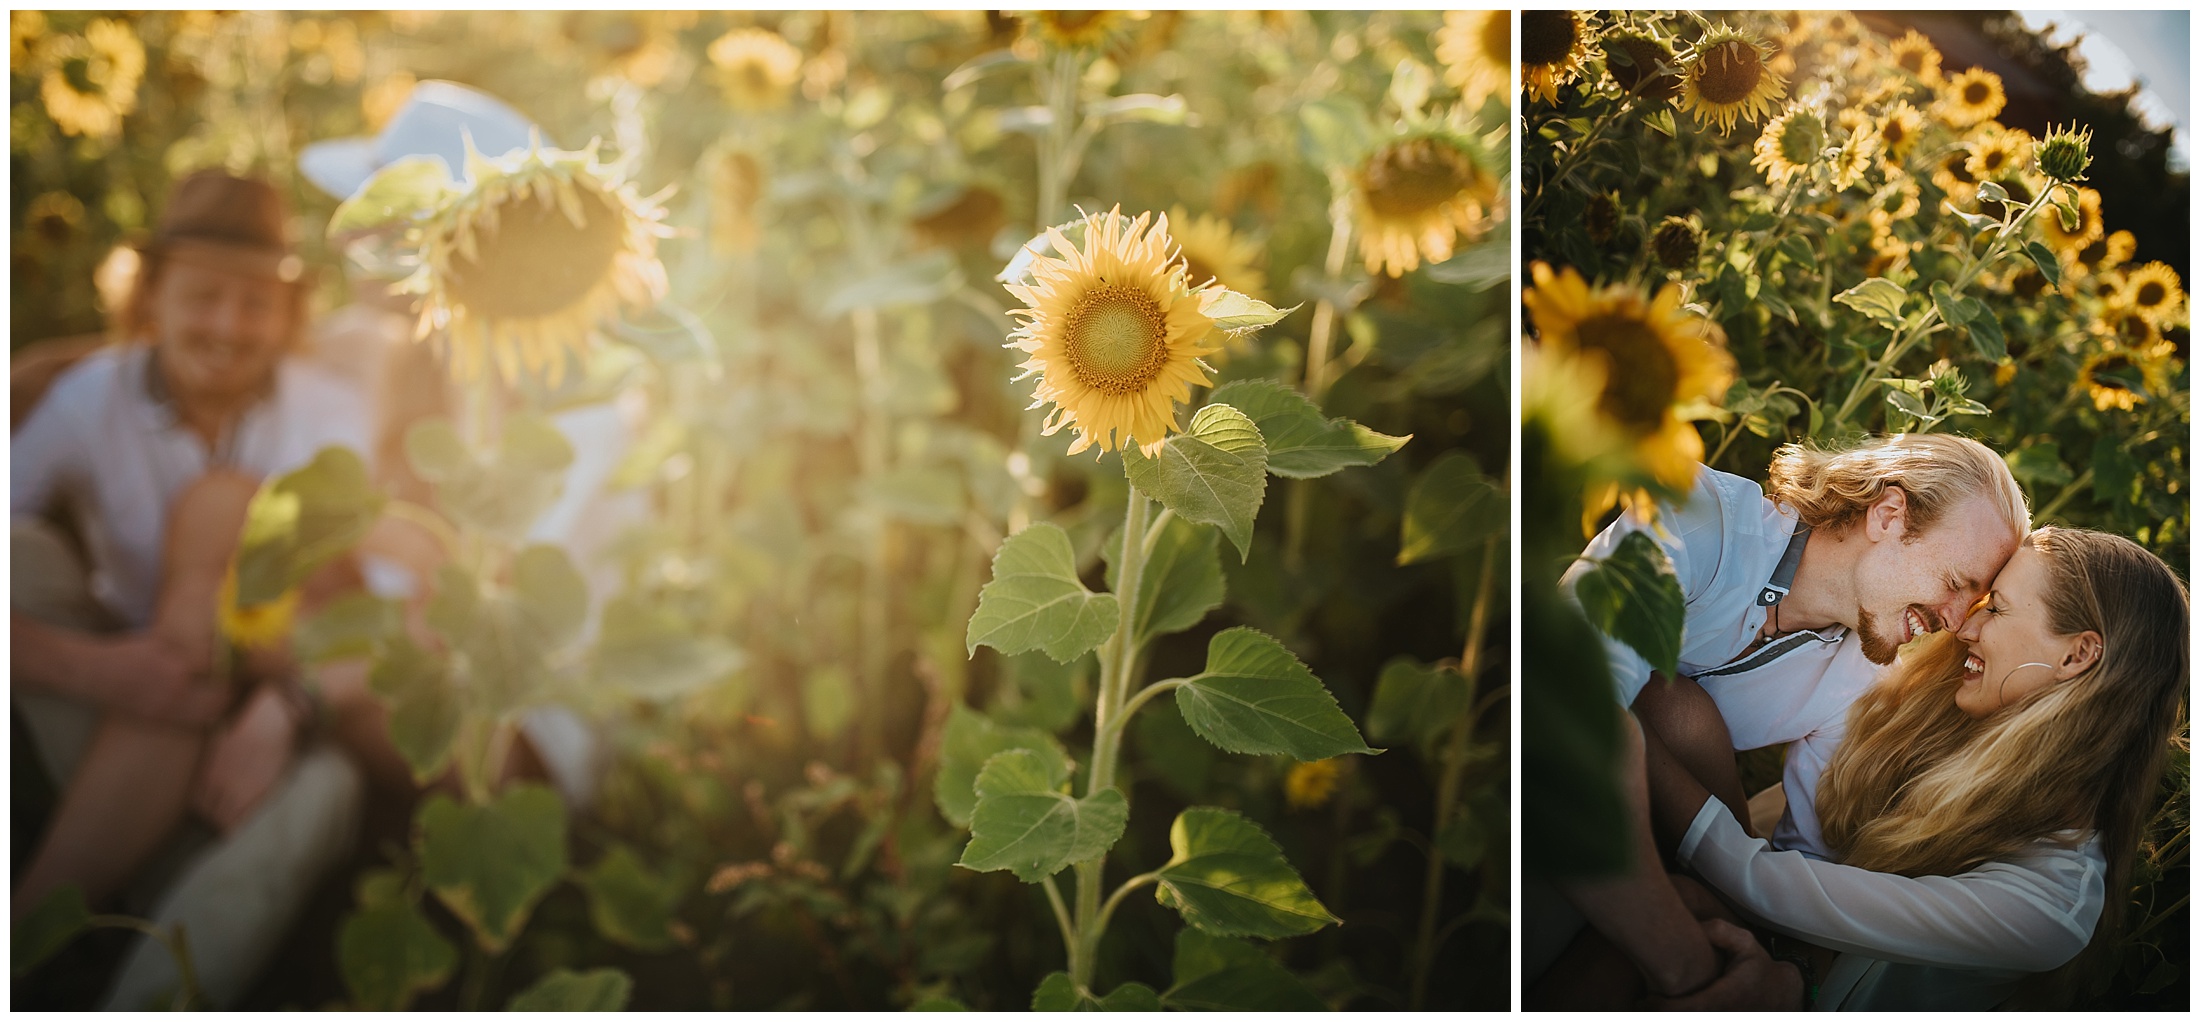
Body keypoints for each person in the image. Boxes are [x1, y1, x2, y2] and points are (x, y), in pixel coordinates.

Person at [11, 170, 370, 1008]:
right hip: (130, 683)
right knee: (16, 556)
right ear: (151, 297)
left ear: (288, 315)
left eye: (256, 303)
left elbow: (388, 616)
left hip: (277, 707)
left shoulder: (333, 412)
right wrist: (99, 671)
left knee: (330, 792)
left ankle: (115, 977)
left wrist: (288, 702)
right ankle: (58, 930)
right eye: (203, 296)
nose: (228, 326)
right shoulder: (86, 397)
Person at [1527, 433, 2030, 1007]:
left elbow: (1802, 871)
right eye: (1957, 583)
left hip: (1640, 840)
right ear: (1889, 515)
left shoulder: (1860, 684)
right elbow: (1564, 709)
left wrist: (1781, 967)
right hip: (1515, 777)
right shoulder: (1694, 518)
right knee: (1665, 711)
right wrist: (1682, 964)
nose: (1957, 620)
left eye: (1980, 602)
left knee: (1680, 718)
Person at [1643, 526, 2186, 1009]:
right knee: (1676, 713)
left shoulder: (2051, 904)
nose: (1965, 629)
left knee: (1676, 911)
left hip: (1792, 966)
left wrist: (1623, 739)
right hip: (1768, 915)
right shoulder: (1933, 716)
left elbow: (1771, 887)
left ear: (2076, 656)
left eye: (1996, 609)